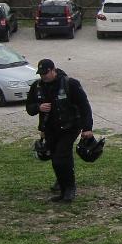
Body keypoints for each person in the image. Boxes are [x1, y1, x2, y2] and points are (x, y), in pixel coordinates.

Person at [26, 59, 94, 202]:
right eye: (41, 74)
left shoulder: (70, 84)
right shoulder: (37, 86)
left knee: (61, 158)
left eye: (46, 73)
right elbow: (29, 108)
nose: (43, 76)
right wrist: (38, 107)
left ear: (53, 70)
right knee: (56, 159)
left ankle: (70, 189)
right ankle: (63, 190)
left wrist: (87, 128)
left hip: (70, 127)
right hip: (50, 129)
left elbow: (84, 106)